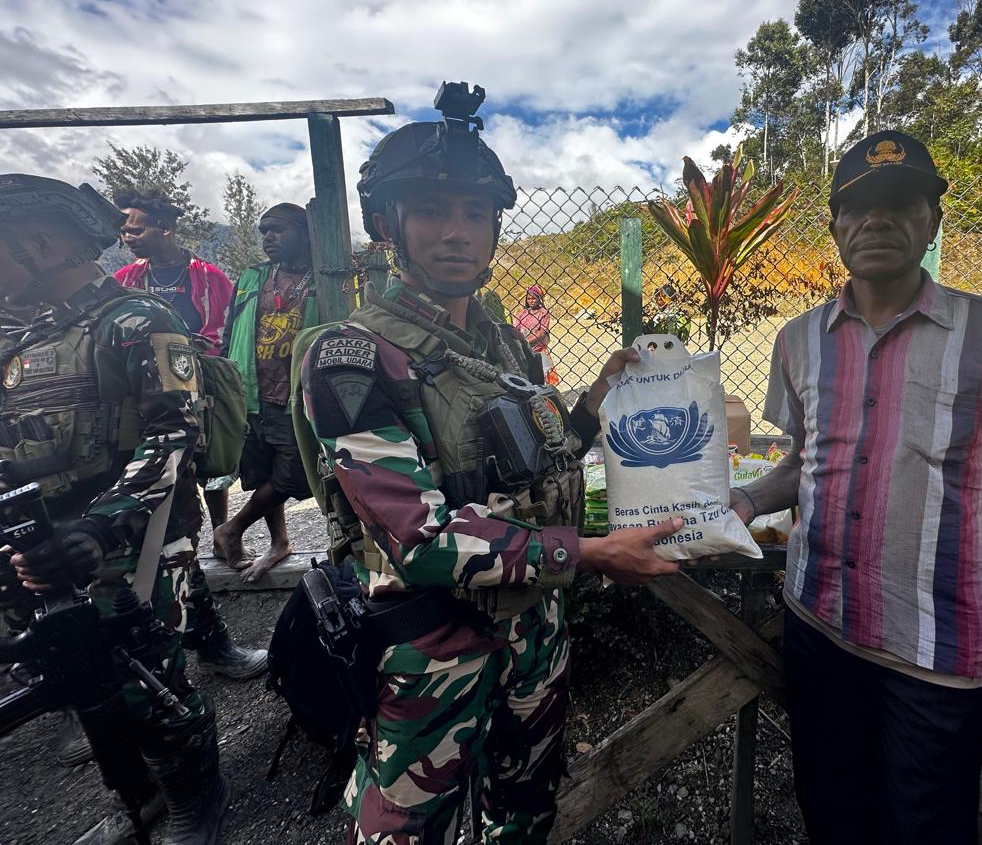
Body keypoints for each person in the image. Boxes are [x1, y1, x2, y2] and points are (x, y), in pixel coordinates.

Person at [299, 83, 683, 845]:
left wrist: (597, 400)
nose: (456, 233)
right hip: (435, 645)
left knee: (526, 808)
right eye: (433, 211)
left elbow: (544, 466)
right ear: (388, 226)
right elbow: (420, 537)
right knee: (410, 830)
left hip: (537, 627)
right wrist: (596, 553)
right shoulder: (352, 354)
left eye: (475, 214)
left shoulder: (505, 347)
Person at [729, 131, 982, 845]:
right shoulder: (797, 340)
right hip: (818, 630)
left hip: (938, 655)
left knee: (923, 826)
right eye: (857, 209)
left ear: (932, 221)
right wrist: (741, 501)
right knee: (829, 813)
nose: (876, 221)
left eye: (900, 204)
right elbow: (806, 462)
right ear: (834, 228)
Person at [0, 174, 229, 845]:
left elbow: (174, 433)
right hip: (42, 547)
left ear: (41, 244)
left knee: (146, 680)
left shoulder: (140, 322)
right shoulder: (24, 337)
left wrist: (102, 525)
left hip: (126, 540)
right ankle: (139, 796)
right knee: (81, 680)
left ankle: (195, 792)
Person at [113, 187, 266, 680]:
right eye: (123, 227)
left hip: (193, 398)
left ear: (164, 227)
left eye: (135, 226)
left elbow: (221, 333)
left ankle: (207, 636)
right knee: (160, 528)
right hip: (137, 410)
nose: (126, 235)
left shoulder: (206, 278)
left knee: (193, 497)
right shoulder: (121, 282)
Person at [213, 202, 317, 582]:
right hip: (251, 390)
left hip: (296, 393)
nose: (268, 237)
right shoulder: (253, 277)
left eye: (277, 230)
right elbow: (232, 330)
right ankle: (280, 543)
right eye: (263, 231)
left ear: (305, 234)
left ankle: (232, 528)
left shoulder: (324, 278)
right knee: (260, 470)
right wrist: (227, 382)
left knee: (293, 474)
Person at [514, 283, 559, 384]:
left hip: (537, 350)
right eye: (528, 299)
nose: (531, 301)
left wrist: (525, 341)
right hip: (523, 349)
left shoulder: (543, 313)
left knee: (540, 377)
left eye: (533, 298)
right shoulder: (523, 313)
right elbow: (515, 328)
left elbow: (542, 333)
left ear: (539, 299)